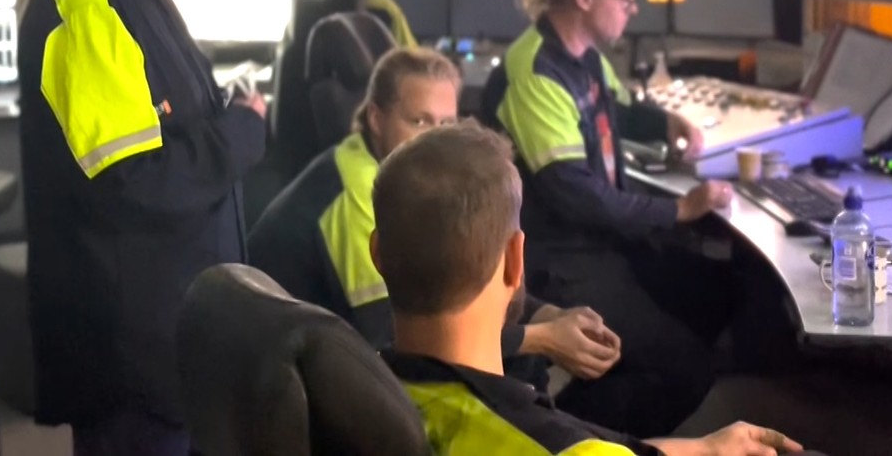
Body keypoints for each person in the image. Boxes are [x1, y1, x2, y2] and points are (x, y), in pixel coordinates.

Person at [19, 0, 269, 456]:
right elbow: (137, 182)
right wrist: (242, 130)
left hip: (168, 342)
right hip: (133, 362)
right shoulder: (89, 6)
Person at [373, 122, 801, 456]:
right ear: (516, 259)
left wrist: (704, 448)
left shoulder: (359, 386)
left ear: (377, 253)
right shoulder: (555, 445)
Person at [480, 0, 734, 438]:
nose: (632, 10)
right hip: (559, 260)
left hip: (603, 243)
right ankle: (564, 436)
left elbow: (616, 109)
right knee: (686, 369)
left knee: (715, 289)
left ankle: (614, 382)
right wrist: (678, 211)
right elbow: (575, 195)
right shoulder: (536, 71)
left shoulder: (585, 58)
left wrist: (665, 123)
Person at [248, 47, 622, 383]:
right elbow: (394, 338)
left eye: (447, 124)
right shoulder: (360, 195)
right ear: (376, 118)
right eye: (420, 121)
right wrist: (542, 340)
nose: (437, 139)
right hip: (288, 382)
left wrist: (548, 316)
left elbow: (461, 279)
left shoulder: (408, 182)